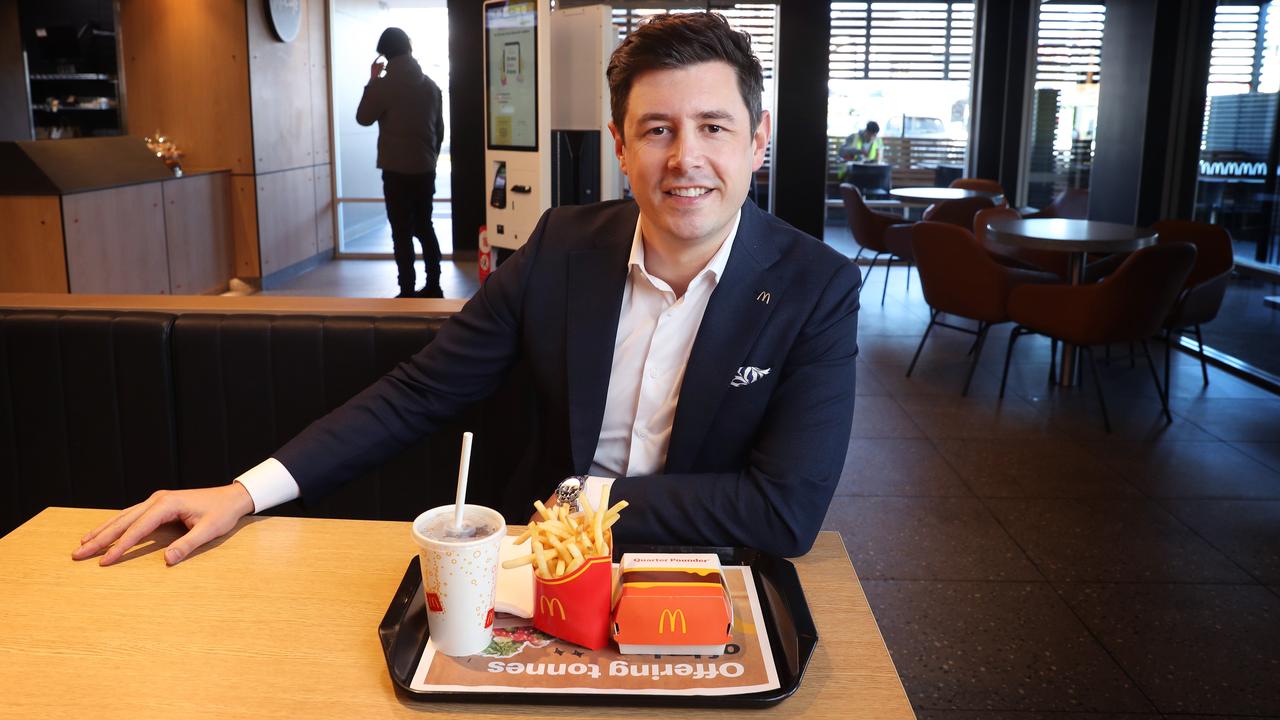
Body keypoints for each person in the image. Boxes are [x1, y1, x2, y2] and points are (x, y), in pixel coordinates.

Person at [72, 13, 861, 567]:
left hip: (708, 572)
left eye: (714, 127)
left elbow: (782, 511)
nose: (686, 157)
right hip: (533, 568)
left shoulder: (815, 287)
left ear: (758, 142)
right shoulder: (563, 247)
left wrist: (586, 502)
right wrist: (246, 493)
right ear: (620, 146)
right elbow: (419, 392)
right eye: (658, 129)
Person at [358, 27, 447, 299]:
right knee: (424, 226)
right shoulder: (431, 86)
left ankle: (406, 289)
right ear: (409, 48)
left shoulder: (383, 85)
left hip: (396, 171)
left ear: (385, 53)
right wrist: (429, 158)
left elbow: (363, 117)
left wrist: (372, 80)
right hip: (424, 169)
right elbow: (439, 131)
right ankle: (434, 285)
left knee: (401, 231)